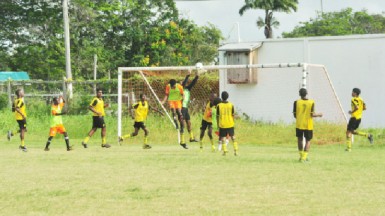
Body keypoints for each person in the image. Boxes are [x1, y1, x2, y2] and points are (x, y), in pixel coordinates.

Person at [293, 88, 323, 162]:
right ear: (306, 94)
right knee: (308, 141)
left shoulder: (296, 102)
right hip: (308, 125)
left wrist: (300, 117)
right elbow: (312, 114)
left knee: (300, 139)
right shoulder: (311, 102)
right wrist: (319, 115)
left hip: (299, 124)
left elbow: (295, 115)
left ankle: (301, 156)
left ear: (299, 94)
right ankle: (304, 157)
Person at [161, 79, 187, 149]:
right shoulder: (168, 86)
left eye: (173, 86)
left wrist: (183, 100)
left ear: (176, 84)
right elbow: (166, 95)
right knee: (173, 110)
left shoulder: (179, 87)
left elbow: (183, 95)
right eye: (172, 86)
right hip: (171, 100)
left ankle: (179, 119)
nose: (173, 87)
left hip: (178, 100)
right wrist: (163, 101)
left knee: (179, 112)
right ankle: (175, 121)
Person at [345, 88, 373, 152]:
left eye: (352, 92)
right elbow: (364, 108)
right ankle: (368, 135)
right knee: (352, 131)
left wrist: (351, 112)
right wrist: (359, 111)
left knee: (348, 132)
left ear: (355, 93)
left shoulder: (353, 99)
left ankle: (349, 148)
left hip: (354, 117)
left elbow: (356, 107)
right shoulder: (361, 99)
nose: (351, 93)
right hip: (359, 118)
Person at [216, 91, 238, 156]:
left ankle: (225, 151)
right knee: (233, 137)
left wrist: (218, 124)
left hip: (223, 124)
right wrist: (233, 122)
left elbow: (217, 116)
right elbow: (233, 115)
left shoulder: (219, 106)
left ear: (221, 97)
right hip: (230, 123)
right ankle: (235, 150)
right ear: (227, 97)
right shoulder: (231, 105)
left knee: (223, 138)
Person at [181, 70, 199, 143]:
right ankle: (182, 140)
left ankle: (191, 138)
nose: (181, 83)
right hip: (181, 108)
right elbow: (184, 83)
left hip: (185, 108)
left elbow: (192, 83)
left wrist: (197, 76)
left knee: (189, 123)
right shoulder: (180, 89)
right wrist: (188, 75)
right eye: (181, 82)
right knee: (183, 124)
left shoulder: (187, 89)